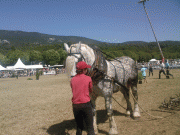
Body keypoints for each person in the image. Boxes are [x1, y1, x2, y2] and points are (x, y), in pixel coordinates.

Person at [70, 61, 95, 135]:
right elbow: (91, 90)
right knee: (90, 127)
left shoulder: (72, 79)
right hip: (86, 104)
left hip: (75, 105)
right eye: (86, 69)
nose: (87, 70)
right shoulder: (88, 78)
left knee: (79, 127)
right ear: (83, 70)